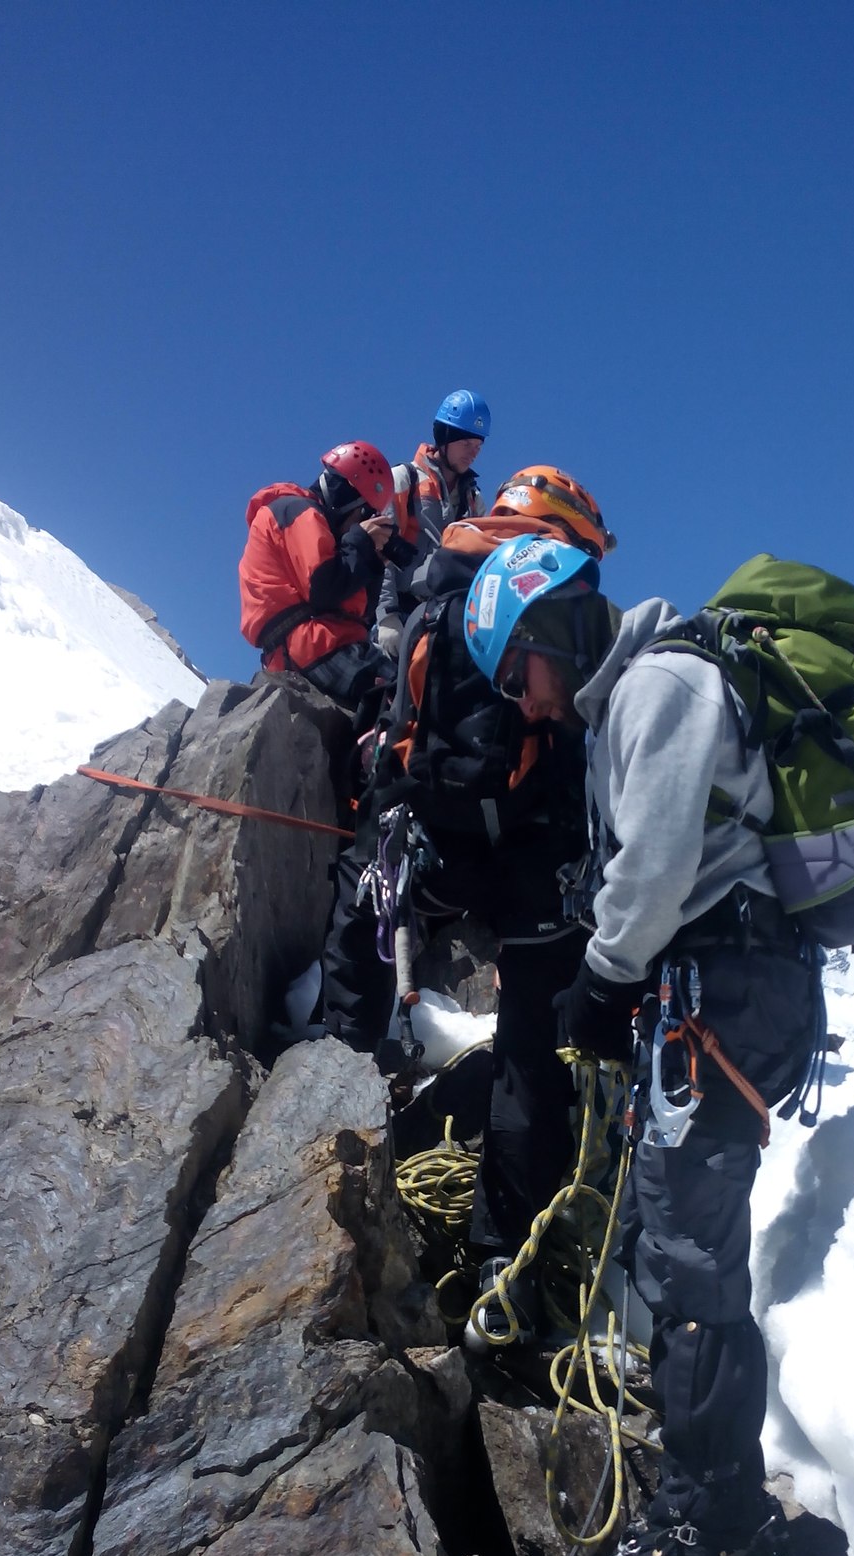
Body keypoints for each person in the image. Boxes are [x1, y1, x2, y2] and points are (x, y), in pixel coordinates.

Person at [462, 535, 821, 1556]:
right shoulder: (637, 699)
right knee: (675, 1232)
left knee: (685, 1247)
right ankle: (709, 1495)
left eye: (518, 674)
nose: (526, 704)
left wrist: (604, 977)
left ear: (549, 635)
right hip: (716, 984)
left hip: (724, 985)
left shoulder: (659, 684)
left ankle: (717, 1524)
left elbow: (659, 863)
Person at [322, 512, 614, 1347]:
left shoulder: (449, 613)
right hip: (530, 858)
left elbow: (394, 762)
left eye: (526, 687)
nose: (529, 704)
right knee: (532, 1049)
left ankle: (326, 1093)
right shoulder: (575, 659)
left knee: (366, 916)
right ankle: (506, 1262)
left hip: (433, 835)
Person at [238, 441, 409, 714]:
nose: (361, 521)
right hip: (311, 646)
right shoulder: (296, 509)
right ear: (346, 496)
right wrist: (361, 542)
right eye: (364, 512)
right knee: (406, 699)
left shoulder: (322, 531)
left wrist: (374, 562)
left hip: (324, 643)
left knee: (414, 687)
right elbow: (324, 588)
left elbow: (362, 614)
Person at [373, 390, 491, 657]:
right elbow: (379, 549)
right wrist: (386, 616)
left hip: (448, 616)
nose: (474, 454)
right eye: (467, 444)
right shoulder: (403, 480)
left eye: (479, 447)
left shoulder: (474, 502)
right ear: (446, 437)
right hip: (401, 611)